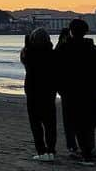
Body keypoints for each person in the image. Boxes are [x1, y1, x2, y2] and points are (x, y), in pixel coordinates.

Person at [57, 19, 96, 166]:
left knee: (78, 124)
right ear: (86, 32)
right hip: (91, 92)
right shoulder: (94, 50)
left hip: (72, 92)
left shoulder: (63, 49)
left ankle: (87, 155)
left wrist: (62, 90)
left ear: (71, 31)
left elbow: (57, 72)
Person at [21, 28, 57, 162]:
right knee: (50, 123)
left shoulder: (29, 55)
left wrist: (27, 43)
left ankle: (41, 151)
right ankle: (51, 151)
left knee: (35, 123)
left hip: (33, 91)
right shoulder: (53, 54)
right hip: (49, 91)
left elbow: (23, 57)